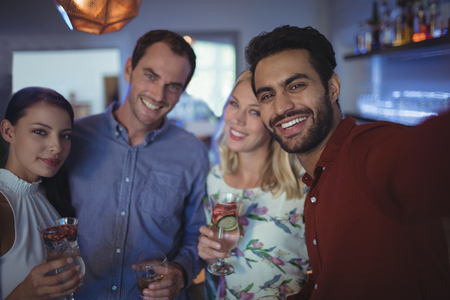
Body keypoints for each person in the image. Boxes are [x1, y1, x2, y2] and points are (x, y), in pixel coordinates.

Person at [244, 25, 450, 300]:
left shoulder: (368, 150)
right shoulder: (316, 184)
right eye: (267, 95)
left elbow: (428, 155)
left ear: (332, 88)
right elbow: (327, 282)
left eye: (296, 86)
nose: (281, 107)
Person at [65, 30, 210, 299]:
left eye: (173, 86)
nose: (158, 94)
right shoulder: (74, 138)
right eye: (151, 76)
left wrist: (181, 271)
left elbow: (198, 233)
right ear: (129, 68)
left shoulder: (193, 152)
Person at [198, 70, 310, 300]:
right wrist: (209, 254)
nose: (237, 119)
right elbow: (220, 265)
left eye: (254, 112)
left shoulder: (302, 182)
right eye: (234, 103)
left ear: (273, 120)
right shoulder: (215, 179)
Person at [0, 87, 84, 299]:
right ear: (8, 131)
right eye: (40, 131)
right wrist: (25, 292)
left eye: (65, 135)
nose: (56, 146)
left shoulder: (53, 196)